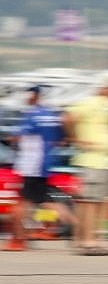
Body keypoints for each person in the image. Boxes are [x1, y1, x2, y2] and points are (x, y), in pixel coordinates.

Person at [4, 86, 75, 251]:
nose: (27, 98)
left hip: (31, 166)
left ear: (35, 96)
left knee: (25, 203)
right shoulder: (52, 115)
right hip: (44, 165)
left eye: (28, 94)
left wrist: (11, 140)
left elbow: (19, 137)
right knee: (40, 202)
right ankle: (76, 228)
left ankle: (18, 240)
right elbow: (63, 140)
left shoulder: (32, 115)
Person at [63, 81, 108, 255]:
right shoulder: (90, 102)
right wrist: (76, 139)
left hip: (107, 161)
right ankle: (88, 241)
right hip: (93, 161)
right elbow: (67, 117)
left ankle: (86, 238)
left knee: (99, 202)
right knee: (90, 203)